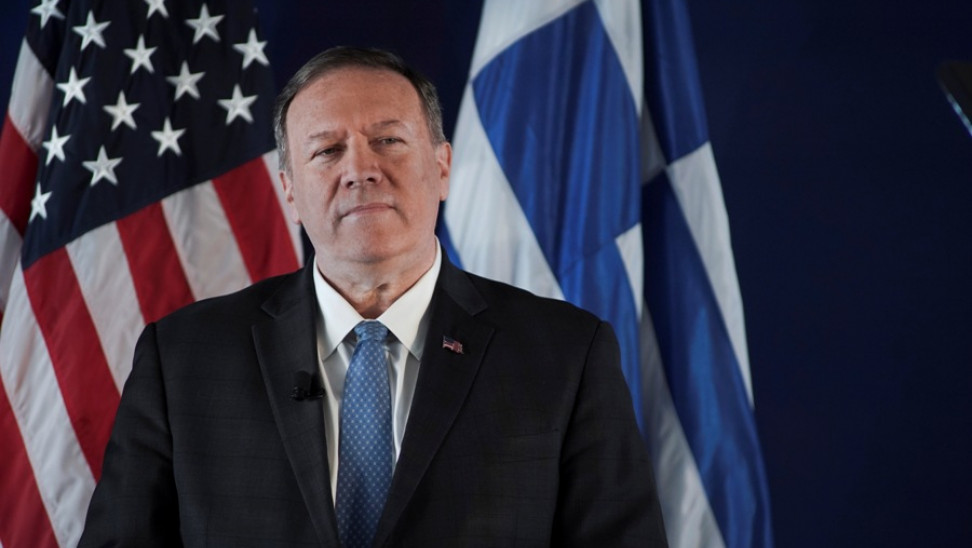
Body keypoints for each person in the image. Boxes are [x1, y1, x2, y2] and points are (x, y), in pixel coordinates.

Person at [80, 46, 668, 547]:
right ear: (290, 191)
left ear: (442, 167)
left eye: (388, 140)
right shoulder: (182, 359)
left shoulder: (565, 354)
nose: (360, 170)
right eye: (326, 151)